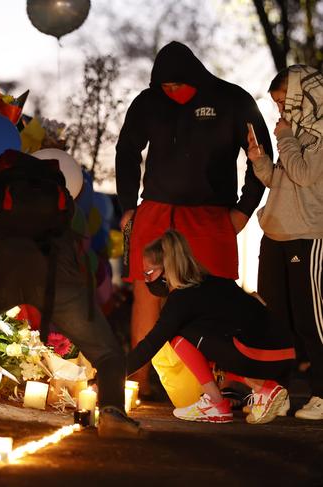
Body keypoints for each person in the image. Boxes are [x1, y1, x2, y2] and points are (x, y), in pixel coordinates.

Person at [115, 41, 272, 398]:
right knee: (147, 293)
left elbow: (260, 154)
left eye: (175, 85)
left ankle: (227, 381)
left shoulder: (233, 100)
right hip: (155, 210)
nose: (170, 92)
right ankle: (135, 380)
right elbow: (126, 151)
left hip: (211, 214)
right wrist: (128, 206)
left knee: (215, 299)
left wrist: (244, 210)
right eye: (164, 87)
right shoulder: (148, 102)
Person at [0, 149, 142, 439]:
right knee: (107, 351)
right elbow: (71, 236)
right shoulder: (55, 188)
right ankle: (112, 414)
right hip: (54, 276)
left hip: (0, 267)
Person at [127, 230, 294, 424]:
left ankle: (221, 402)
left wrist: (112, 374)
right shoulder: (212, 283)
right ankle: (260, 388)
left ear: (168, 268)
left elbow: (151, 343)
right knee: (199, 343)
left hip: (261, 355)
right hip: (282, 352)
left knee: (179, 338)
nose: (147, 280)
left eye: (149, 273)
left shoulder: (181, 300)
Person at [247, 64, 323, 421]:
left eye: (283, 101)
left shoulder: (318, 133)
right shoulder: (295, 133)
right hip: (275, 233)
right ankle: (275, 393)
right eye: (276, 104)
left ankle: (322, 394)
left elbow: (306, 174)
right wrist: (261, 162)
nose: (279, 110)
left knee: (310, 321)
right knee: (275, 320)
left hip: (306, 236)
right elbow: (285, 181)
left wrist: (285, 138)